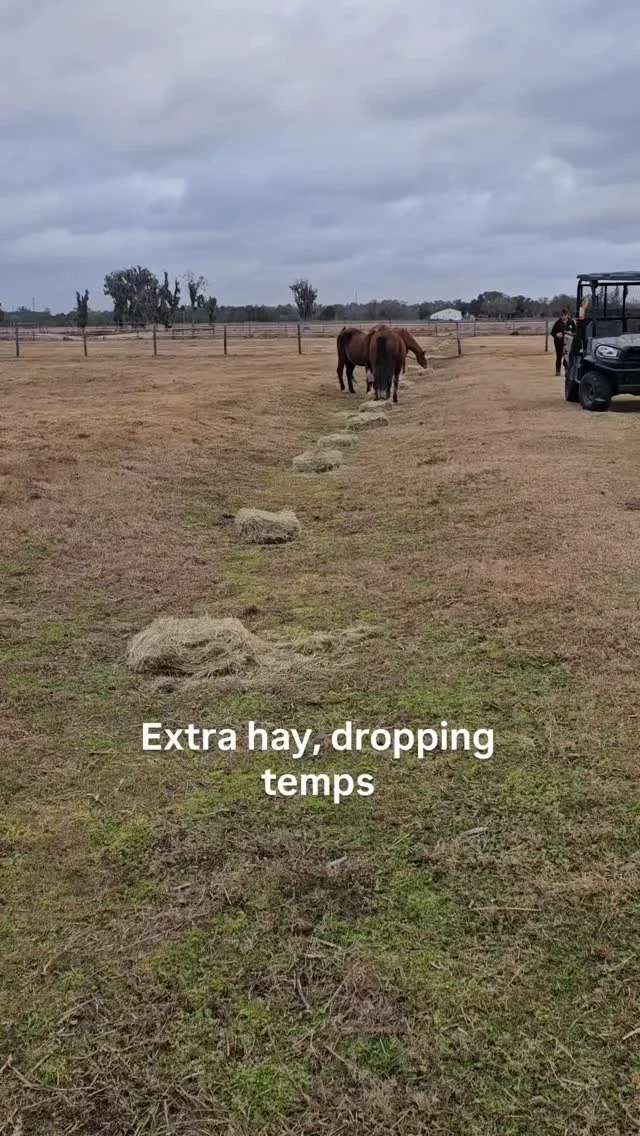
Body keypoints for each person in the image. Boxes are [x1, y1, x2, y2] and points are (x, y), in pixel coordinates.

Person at [550, 308, 576, 376]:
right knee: (559, 357)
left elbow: (575, 331)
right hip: (558, 343)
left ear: (567, 315)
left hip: (568, 343)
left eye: (565, 315)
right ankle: (557, 371)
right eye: (562, 315)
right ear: (560, 316)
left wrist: (571, 333)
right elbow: (552, 332)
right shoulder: (557, 323)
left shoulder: (571, 322)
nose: (564, 316)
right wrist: (556, 335)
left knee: (567, 357)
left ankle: (567, 370)